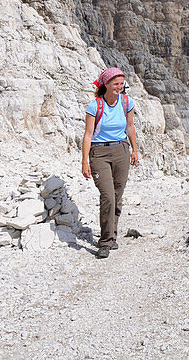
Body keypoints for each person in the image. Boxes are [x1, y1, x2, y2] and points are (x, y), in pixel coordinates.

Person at [82, 67, 140, 259]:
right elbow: (88, 135)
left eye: (122, 83)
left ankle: (112, 235)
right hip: (99, 153)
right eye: (116, 84)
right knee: (107, 196)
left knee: (117, 195)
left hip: (121, 150)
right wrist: (85, 161)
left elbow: (130, 127)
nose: (120, 87)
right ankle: (105, 242)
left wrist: (134, 150)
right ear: (106, 84)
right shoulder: (95, 106)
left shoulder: (126, 102)